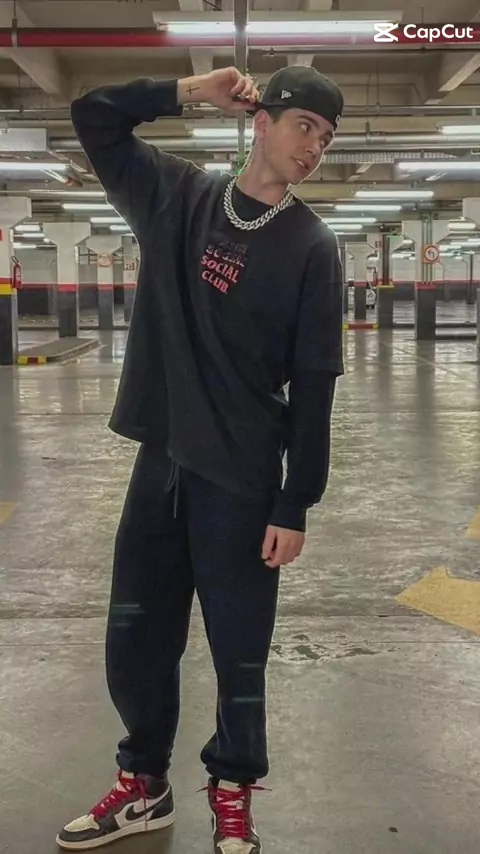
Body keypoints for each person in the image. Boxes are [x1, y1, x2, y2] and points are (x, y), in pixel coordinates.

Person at [57, 64, 344, 854]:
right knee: (136, 638)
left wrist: (296, 502)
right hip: (162, 464)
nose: (314, 147)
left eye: (326, 138)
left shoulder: (313, 248)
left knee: (239, 654)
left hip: (243, 482)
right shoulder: (177, 197)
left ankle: (232, 790)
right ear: (263, 121)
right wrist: (186, 92)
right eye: (305, 126)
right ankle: (143, 784)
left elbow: (315, 385)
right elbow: (93, 114)